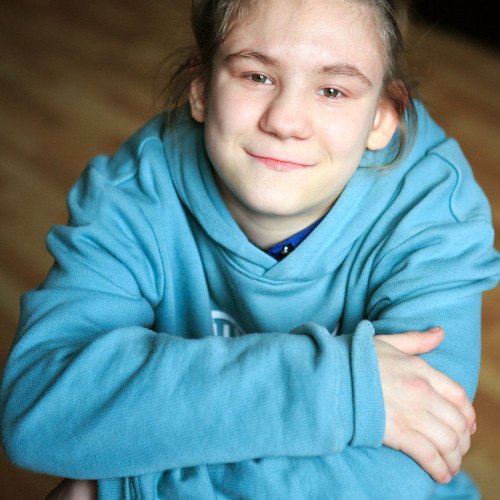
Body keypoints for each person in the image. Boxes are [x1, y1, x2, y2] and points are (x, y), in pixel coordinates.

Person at [1, 0, 499, 498]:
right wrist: (334, 387)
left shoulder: (433, 210)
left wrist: (122, 490)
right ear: (201, 88)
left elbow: (394, 474)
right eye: (257, 76)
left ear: (382, 119)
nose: (285, 121)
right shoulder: (136, 190)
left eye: (332, 90)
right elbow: (39, 409)